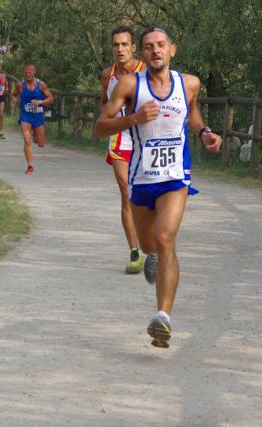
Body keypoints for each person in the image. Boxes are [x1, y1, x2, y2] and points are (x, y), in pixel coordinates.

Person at [95, 27, 222, 349]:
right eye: (149, 47)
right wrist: (133, 118)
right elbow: (100, 126)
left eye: (161, 45)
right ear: (143, 53)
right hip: (142, 178)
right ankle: (150, 255)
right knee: (151, 244)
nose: (155, 51)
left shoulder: (189, 83)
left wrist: (204, 132)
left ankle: (162, 316)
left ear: (172, 50)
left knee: (166, 238)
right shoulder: (128, 85)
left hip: (175, 176)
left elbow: (191, 113)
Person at [101, 26, 146, 275]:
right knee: (126, 192)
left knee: (148, 193)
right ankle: (134, 253)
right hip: (120, 137)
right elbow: (104, 104)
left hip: (145, 139)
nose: (120, 49)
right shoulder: (108, 75)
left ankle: (153, 247)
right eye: (116, 45)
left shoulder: (146, 72)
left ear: (133, 47)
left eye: (124, 44)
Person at [11, 62, 54, 175]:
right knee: (26, 139)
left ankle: (35, 134)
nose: (28, 74)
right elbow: (14, 94)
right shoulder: (20, 85)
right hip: (25, 115)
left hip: (38, 116)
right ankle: (30, 165)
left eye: (30, 72)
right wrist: (14, 98)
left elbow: (50, 98)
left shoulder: (41, 85)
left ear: (34, 73)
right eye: (26, 73)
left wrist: (39, 101)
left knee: (41, 144)